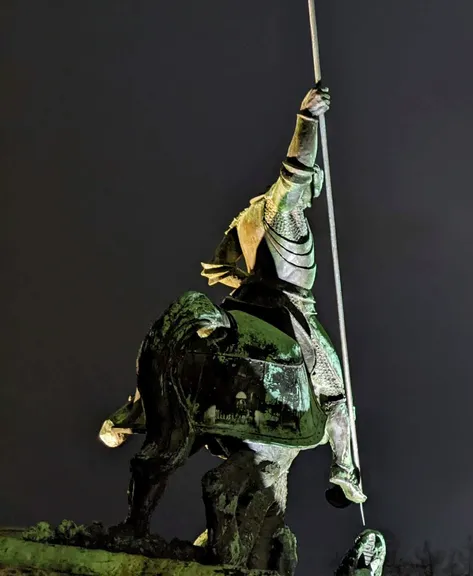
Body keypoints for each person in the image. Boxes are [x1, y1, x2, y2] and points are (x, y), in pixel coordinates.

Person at [199, 85, 365, 506]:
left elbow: (222, 266)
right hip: (292, 311)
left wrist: (240, 281)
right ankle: (344, 467)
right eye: (314, 187)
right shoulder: (279, 210)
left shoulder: (242, 221)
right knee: (336, 394)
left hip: (246, 304)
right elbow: (294, 170)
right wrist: (307, 120)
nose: (312, 193)